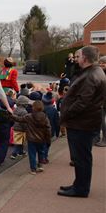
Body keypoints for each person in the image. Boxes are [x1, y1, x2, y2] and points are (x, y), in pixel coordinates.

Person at [58, 45, 106, 197]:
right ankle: (79, 184)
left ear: (85, 58)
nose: (76, 59)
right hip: (84, 121)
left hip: (82, 123)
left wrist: (66, 114)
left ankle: (81, 188)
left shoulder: (90, 76)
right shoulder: (93, 72)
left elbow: (82, 102)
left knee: (82, 158)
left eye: (78, 57)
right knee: (81, 157)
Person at [12, 100, 51, 175]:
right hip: (42, 139)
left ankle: (33, 169)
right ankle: (40, 165)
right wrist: (48, 140)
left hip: (31, 139)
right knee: (41, 152)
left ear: (34, 107)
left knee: (32, 154)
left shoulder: (29, 116)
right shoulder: (45, 117)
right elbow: (48, 129)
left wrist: (11, 115)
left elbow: (19, 119)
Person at [0, 92, 15, 166]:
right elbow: (12, 123)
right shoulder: (10, 114)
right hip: (6, 130)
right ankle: (0, 159)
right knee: (4, 144)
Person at [10, 95, 30, 160]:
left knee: (19, 141)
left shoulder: (15, 109)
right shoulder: (24, 112)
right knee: (19, 142)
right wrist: (26, 129)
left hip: (15, 128)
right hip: (21, 129)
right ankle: (14, 154)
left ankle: (21, 152)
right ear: (25, 104)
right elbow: (24, 122)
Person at [96, 56, 106, 147]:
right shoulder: (99, 73)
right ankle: (98, 138)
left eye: (104, 62)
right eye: (100, 62)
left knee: (103, 120)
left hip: (103, 100)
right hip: (100, 100)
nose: (102, 64)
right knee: (100, 119)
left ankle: (105, 139)